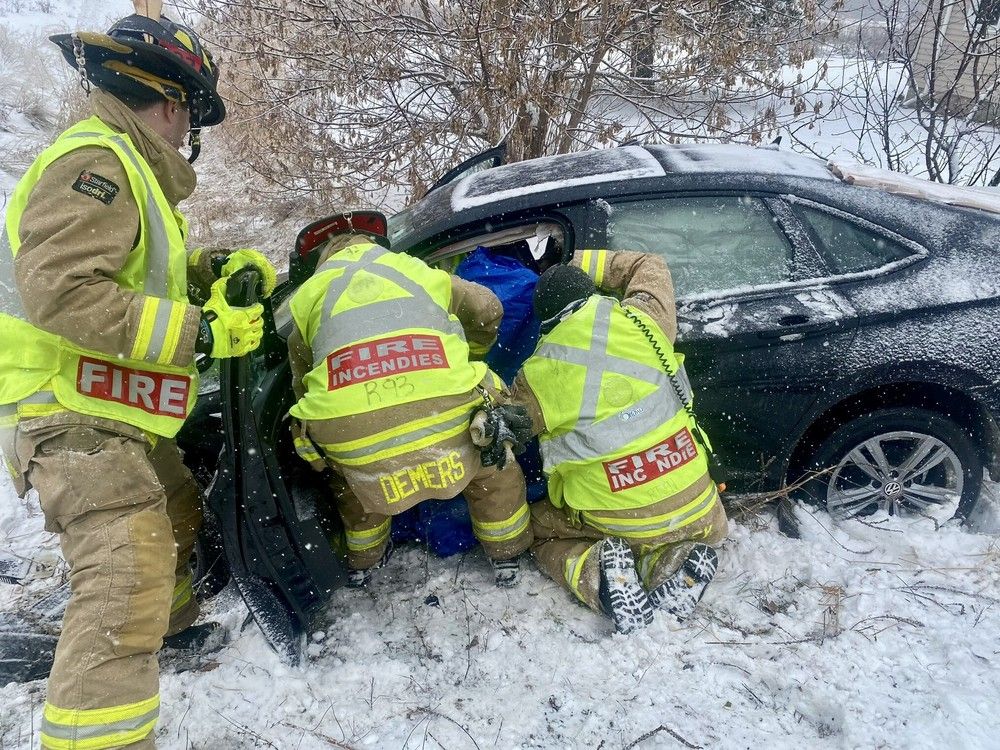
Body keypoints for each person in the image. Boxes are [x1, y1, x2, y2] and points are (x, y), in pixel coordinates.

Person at [0, 12, 276, 749]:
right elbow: (63, 291)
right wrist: (201, 334)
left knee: (177, 512)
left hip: (112, 408)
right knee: (127, 574)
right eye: (190, 117)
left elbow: (130, 273)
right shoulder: (98, 162)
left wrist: (210, 270)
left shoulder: (128, 169)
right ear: (170, 102)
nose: (188, 136)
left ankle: (168, 631)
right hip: (68, 410)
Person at [287, 232, 533, 588]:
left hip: (354, 430)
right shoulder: (413, 269)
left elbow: (302, 379)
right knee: (492, 460)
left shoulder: (307, 294)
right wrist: (472, 353)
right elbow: (488, 308)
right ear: (378, 247)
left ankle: (365, 559)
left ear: (324, 261)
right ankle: (506, 552)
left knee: (353, 481)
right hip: (446, 410)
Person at [509, 250, 728, 634]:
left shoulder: (537, 375)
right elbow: (651, 264)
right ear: (591, 293)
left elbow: (504, 430)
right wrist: (577, 259)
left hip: (619, 521)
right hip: (702, 511)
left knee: (538, 529)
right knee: (672, 531)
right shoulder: (647, 320)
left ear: (545, 321)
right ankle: (671, 561)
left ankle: (598, 574)